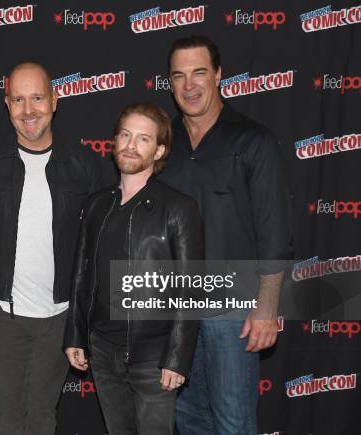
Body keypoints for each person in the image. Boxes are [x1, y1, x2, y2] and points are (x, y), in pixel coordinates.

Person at [159, 35, 292, 434]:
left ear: (218, 75)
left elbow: (274, 231)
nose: (189, 85)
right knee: (188, 419)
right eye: (179, 76)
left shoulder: (253, 140)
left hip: (233, 311)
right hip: (176, 310)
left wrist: (267, 307)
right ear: (169, 83)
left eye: (199, 72)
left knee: (233, 422)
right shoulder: (164, 145)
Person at [0, 62, 103, 435]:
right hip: (0, 316)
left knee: (43, 418)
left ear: (55, 100)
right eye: (19, 100)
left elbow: (101, 245)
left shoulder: (85, 165)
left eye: (37, 98)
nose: (28, 111)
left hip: (59, 319)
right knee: (4, 421)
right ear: (7, 104)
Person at [64, 102, 203, 435]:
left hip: (154, 357)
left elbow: (191, 289)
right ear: (114, 141)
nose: (130, 144)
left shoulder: (179, 208)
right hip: (101, 350)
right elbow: (81, 276)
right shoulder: (97, 204)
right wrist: (75, 336)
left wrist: (177, 358)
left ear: (159, 151)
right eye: (125, 134)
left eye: (143, 139)